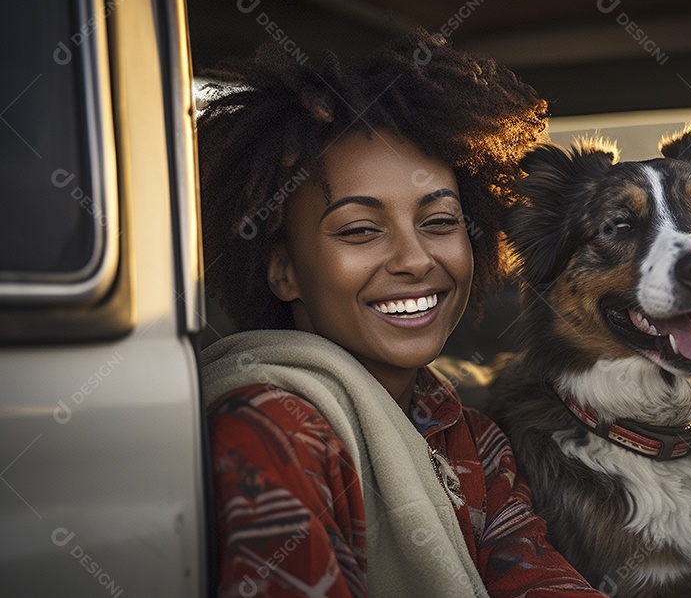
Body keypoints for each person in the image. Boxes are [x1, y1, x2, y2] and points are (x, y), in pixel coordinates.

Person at [197, 31, 606, 597]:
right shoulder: (271, 429)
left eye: (440, 222)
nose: (415, 260)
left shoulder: (467, 431)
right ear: (282, 270)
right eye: (360, 230)